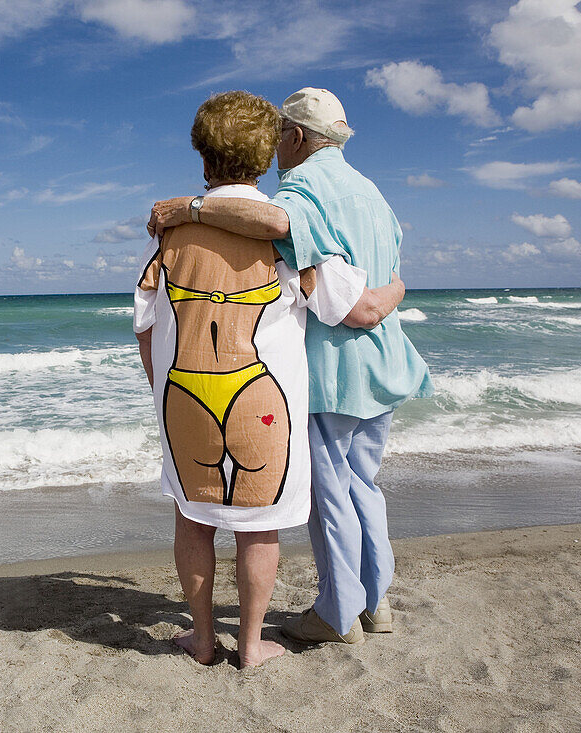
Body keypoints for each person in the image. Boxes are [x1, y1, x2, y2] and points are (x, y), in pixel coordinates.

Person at [147, 88, 433, 645]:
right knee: (363, 486)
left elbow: (277, 226)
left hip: (332, 368)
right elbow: (382, 277)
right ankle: (377, 602)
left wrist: (190, 208)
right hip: (384, 361)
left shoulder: (301, 189)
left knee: (330, 496)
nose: (277, 149)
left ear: (296, 137)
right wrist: (395, 290)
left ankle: (338, 610)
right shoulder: (373, 193)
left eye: (282, 136)